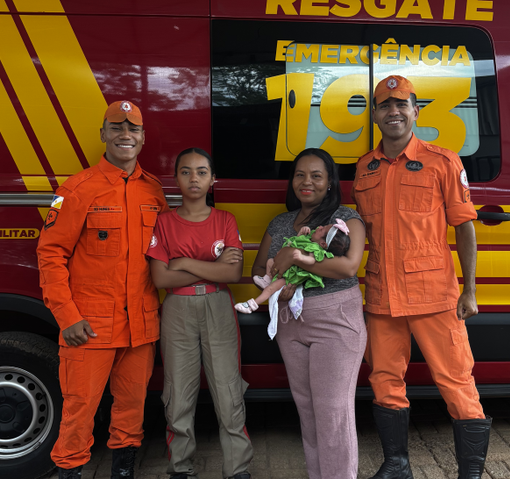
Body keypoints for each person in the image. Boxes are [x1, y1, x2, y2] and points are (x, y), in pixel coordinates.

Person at [352, 75, 491, 479]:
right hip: (381, 293)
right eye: (385, 105)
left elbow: (465, 226)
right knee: (384, 380)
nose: (393, 112)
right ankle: (397, 465)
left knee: (456, 381)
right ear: (375, 114)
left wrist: (470, 290)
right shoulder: (366, 167)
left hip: (433, 294)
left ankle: (470, 473)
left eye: (401, 104)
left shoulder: (442, 161)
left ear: (415, 110)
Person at [36, 100, 167, 479]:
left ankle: (122, 471)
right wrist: (67, 317)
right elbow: (50, 254)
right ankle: (70, 471)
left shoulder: (153, 192)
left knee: (131, 409)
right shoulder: (77, 190)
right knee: (79, 410)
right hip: (89, 326)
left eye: (133, 128)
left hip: (140, 326)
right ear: (103, 135)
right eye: (116, 127)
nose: (125, 134)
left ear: (142, 138)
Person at [248, 148, 367, 479]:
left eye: (317, 175)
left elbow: (348, 266)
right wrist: (277, 282)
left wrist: (298, 261)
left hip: (335, 321)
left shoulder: (345, 219)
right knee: (308, 410)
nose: (307, 182)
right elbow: (259, 267)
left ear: (330, 182)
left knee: (332, 412)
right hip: (290, 323)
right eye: (300, 174)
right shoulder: (282, 221)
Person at [147, 148, 253, 479]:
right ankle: (180, 467)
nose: (194, 178)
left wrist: (186, 263)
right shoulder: (163, 223)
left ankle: (237, 468)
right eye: (186, 171)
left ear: (213, 179)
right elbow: (161, 278)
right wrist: (213, 268)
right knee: (178, 392)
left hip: (217, 305)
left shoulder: (225, 219)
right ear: (175, 178)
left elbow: (233, 275)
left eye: (202, 172)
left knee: (227, 389)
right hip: (177, 308)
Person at [234, 219, 351, 314]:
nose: (319, 226)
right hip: (284, 269)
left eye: (322, 230)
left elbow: (311, 260)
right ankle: (267, 279)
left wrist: (300, 258)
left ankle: (251, 305)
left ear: (323, 244)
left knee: (270, 290)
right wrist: (301, 233)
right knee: (270, 261)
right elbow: (295, 240)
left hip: (291, 276)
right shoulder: (309, 240)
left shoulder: (316, 249)